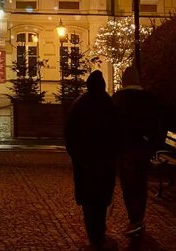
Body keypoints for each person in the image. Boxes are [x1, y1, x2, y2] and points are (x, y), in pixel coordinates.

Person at [65, 69, 119, 251]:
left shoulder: (79, 104)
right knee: (102, 200)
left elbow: (69, 134)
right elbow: (117, 135)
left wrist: (75, 156)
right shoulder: (109, 104)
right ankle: (100, 235)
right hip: (104, 163)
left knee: (88, 201)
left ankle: (93, 236)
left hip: (84, 164)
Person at [112, 65, 162, 237]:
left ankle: (134, 218)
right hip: (142, 149)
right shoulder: (148, 99)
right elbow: (157, 124)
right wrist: (149, 142)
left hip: (124, 148)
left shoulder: (118, 99)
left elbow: (112, 125)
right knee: (140, 183)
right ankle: (138, 218)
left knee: (128, 184)